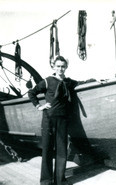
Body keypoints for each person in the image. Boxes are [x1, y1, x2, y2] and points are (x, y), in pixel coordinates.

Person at [28, 56, 77, 185]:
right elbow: (31, 92)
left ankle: (60, 180)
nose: (60, 68)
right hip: (48, 119)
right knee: (47, 150)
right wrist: (39, 106)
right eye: (58, 66)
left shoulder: (68, 82)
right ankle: (46, 181)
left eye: (63, 66)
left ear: (66, 67)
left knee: (62, 151)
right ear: (54, 67)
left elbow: (79, 83)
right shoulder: (48, 81)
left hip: (62, 120)